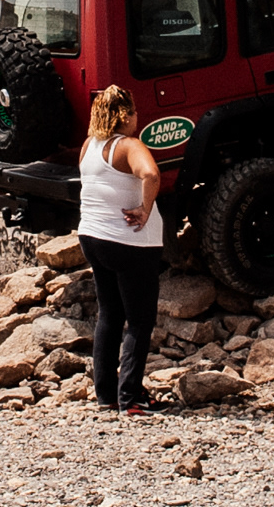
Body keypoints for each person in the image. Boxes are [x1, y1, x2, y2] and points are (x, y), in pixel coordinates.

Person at [75, 85, 164, 415]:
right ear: (125, 115)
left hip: (93, 238)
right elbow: (151, 174)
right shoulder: (129, 146)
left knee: (110, 316)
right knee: (140, 321)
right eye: (135, 112)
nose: (138, 118)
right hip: (129, 244)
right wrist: (144, 208)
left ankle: (106, 395)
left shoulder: (89, 146)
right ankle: (131, 398)